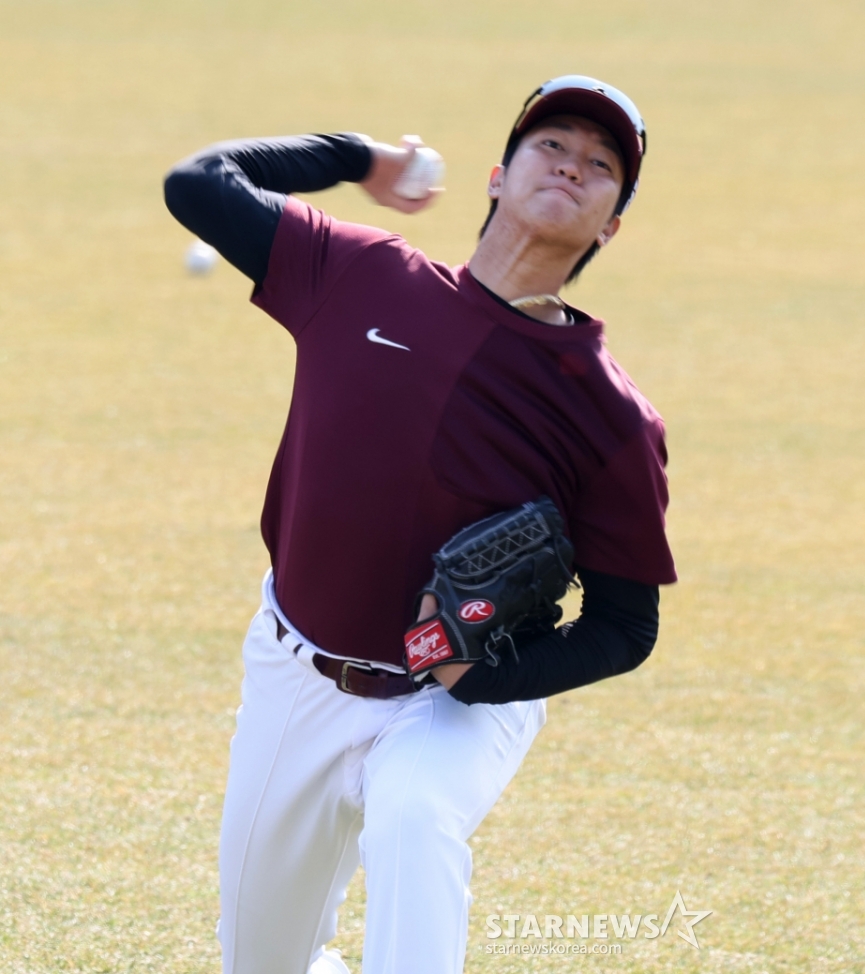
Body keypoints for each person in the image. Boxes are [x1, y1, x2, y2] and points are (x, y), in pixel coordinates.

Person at [163, 75, 676, 974]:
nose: (572, 167)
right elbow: (198, 185)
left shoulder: (610, 415)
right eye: (552, 145)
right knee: (263, 962)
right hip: (295, 673)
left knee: (414, 814)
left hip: (452, 704)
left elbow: (625, 626)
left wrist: (486, 678)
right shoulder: (362, 275)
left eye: (602, 167)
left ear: (610, 228)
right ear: (497, 177)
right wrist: (359, 158)